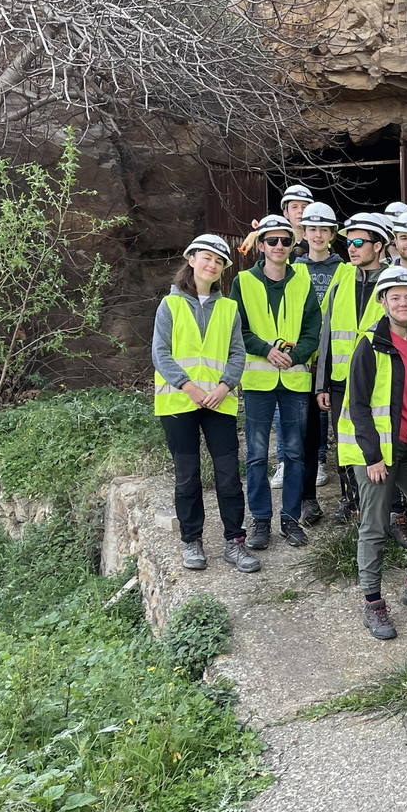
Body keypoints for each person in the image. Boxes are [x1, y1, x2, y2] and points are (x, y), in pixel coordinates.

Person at [152, 234, 259, 574]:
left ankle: (234, 542)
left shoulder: (229, 308)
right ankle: (191, 540)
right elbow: (160, 353)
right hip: (179, 402)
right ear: (192, 259)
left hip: (219, 402)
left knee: (228, 476)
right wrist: (188, 387)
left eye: (219, 262)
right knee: (187, 476)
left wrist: (225, 385)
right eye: (207, 258)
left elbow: (237, 353)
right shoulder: (169, 305)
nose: (212, 265)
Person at [338, 264, 407, 639]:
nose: (403, 303)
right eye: (396, 297)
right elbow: (358, 405)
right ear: (383, 302)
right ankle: (373, 603)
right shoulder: (370, 344)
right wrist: (372, 456)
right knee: (375, 527)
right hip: (376, 453)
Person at [230, 213, 320, 549]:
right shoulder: (243, 282)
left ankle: (290, 519)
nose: (279, 246)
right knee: (256, 455)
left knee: (295, 453)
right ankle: (261, 520)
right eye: (272, 241)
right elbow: (237, 329)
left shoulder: (302, 281)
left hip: (295, 380)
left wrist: (295, 357)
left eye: (285, 240)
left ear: (292, 245)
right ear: (261, 246)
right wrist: (266, 350)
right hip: (258, 381)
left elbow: (313, 329)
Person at [313, 213, 391, 524]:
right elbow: (327, 334)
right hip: (340, 381)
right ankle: (351, 502)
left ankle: (388, 508)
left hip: (380, 382)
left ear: (378, 245)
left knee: (380, 442)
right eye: (348, 242)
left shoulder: (393, 281)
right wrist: (322, 383)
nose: (352, 248)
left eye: (359, 242)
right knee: (345, 445)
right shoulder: (341, 281)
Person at [295, 202, 343, 495]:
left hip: (336, 360)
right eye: (312, 229)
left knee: (345, 430)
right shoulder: (293, 270)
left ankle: (349, 497)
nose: (317, 235)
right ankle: (308, 497)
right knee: (308, 432)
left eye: (324, 230)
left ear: (332, 234)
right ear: (304, 232)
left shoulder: (345, 270)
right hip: (304, 361)